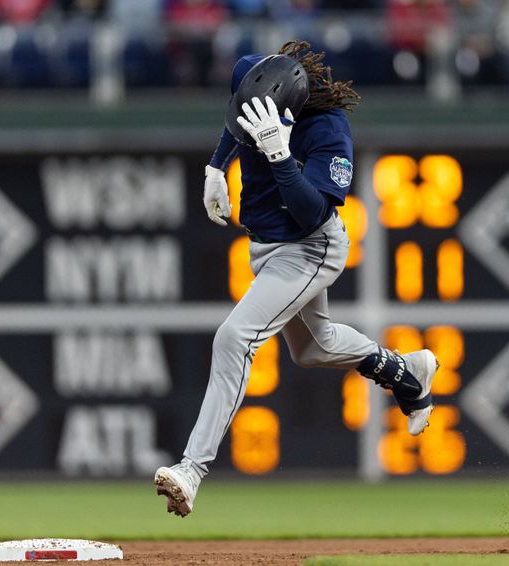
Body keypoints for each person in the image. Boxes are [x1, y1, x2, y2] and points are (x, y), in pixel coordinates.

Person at [154, 40, 439, 518]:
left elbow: (312, 215)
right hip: (265, 243)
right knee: (314, 348)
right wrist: (217, 165)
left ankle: (192, 469)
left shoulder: (329, 131)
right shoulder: (252, 72)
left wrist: (282, 158)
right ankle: (409, 373)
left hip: (311, 246)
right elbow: (237, 119)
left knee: (233, 337)